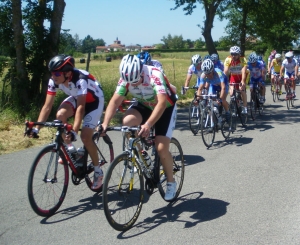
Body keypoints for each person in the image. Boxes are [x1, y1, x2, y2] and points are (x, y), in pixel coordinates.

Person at [100, 54, 179, 200]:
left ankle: (170, 182)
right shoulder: (126, 79)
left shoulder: (154, 74)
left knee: (161, 148)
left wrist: (148, 124)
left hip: (166, 106)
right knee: (127, 122)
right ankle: (142, 153)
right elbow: (115, 101)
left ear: (141, 71)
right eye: (131, 82)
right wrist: (105, 123)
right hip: (145, 104)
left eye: (136, 81)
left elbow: (161, 103)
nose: (134, 84)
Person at [32, 55, 105, 190]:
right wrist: (36, 128)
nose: (54, 76)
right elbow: (47, 107)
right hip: (78, 98)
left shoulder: (80, 80)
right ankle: (72, 150)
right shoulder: (54, 81)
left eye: (57, 73)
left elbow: (81, 108)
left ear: (68, 73)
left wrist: (74, 131)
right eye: (52, 73)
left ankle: (98, 171)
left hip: (94, 101)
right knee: (60, 115)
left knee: (85, 137)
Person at [198, 59, 231, 128]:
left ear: (213, 70)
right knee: (211, 103)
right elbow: (200, 88)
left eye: (209, 73)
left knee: (223, 100)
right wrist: (198, 98)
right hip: (213, 86)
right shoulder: (203, 75)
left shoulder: (218, 73)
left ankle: (228, 113)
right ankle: (213, 125)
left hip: (223, 85)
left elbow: (223, 88)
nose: (208, 75)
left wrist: (220, 99)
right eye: (206, 74)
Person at [223, 46, 248, 114]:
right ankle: (235, 105)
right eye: (232, 54)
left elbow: (243, 71)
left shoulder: (243, 59)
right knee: (231, 93)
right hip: (233, 77)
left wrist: (243, 81)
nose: (233, 56)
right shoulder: (228, 59)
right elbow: (225, 71)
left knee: (241, 90)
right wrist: (224, 82)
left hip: (241, 77)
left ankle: (245, 107)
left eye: (235, 54)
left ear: (239, 54)